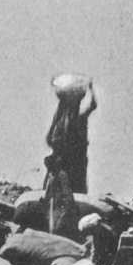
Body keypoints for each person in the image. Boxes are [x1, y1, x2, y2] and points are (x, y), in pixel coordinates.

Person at [44, 74, 96, 237]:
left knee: (59, 203)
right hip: (68, 169)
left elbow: (51, 141)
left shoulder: (63, 122)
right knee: (67, 201)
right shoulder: (74, 120)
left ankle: (59, 231)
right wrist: (91, 88)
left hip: (64, 169)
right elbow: (93, 105)